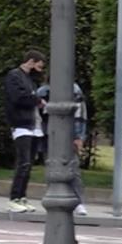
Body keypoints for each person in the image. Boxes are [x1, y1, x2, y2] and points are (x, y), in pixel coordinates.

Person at [36, 81, 90, 215]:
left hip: (66, 134)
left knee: (73, 168)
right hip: (49, 134)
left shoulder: (73, 90)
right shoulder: (43, 91)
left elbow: (79, 114)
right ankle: (53, 197)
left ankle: (78, 202)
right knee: (52, 167)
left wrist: (78, 137)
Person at [3, 50, 45, 213]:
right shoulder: (15, 76)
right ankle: (14, 198)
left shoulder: (28, 79)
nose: (40, 70)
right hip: (21, 124)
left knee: (28, 164)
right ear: (31, 61)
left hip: (32, 125)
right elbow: (18, 97)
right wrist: (37, 100)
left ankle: (21, 197)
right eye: (39, 66)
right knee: (23, 162)